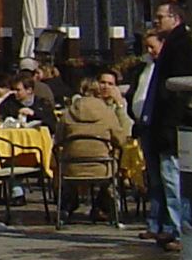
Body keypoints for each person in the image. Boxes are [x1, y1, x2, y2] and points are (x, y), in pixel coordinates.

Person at [137, 4, 192, 249]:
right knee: (165, 178)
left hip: (171, 123)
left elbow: (179, 90)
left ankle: (180, 230)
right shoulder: (174, 43)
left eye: (160, 16)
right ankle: (170, 226)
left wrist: (170, 123)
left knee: (173, 178)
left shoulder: (180, 45)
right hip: (160, 123)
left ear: (174, 18)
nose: (155, 20)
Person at [55, 74, 134, 223]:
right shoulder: (107, 113)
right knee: (111, 170)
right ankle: (105, 208)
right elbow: (121, 139)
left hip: (71, 167)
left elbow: (58, 140)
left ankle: (67, 206)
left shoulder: (67, 114)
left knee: (66, 164)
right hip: (102, 166)